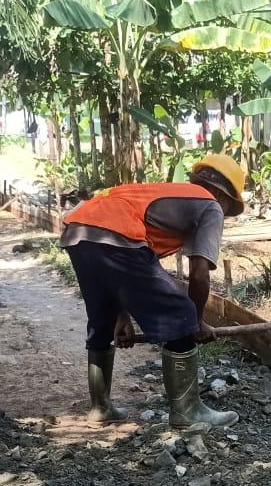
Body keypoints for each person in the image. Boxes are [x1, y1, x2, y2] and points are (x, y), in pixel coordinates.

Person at [59, 153, 246, 429]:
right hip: (115, 235)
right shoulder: (211, 206)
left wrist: (121, 316)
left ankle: (101, 407)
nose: (224, 216)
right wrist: (195, 321)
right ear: (224, 196)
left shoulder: (166, 196)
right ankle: (187, 411)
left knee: (102, 318)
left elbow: (126, 269)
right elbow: (199, 273)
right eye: (228, 211)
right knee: (180, 312)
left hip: (78, 231)